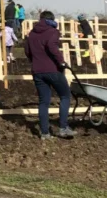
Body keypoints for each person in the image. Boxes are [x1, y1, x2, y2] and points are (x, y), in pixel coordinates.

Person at [24, 10, 75, 140]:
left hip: (37, 71)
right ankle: (63, 128)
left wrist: (35, 61)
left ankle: (45, 133)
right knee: (65, 96)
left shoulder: (31, 34)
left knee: (43, 102)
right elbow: (52, 46)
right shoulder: (53, 31)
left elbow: (27, 51)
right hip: (53, 70)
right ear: (52, 20)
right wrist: (62, 62)